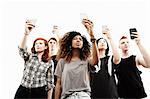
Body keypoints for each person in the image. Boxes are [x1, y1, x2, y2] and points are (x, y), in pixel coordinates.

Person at [54, 19, 98, 99]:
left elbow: (95, 61)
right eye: (75, 39)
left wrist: (92, 36)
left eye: (80, 39)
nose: (78, 40)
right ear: (70, 42)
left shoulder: (86, 60)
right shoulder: (62, 62)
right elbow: (58, 84)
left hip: (83, 95)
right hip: (67, 97)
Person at [14, 20, 54, 99]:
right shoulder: (29, 56)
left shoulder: (49, 62)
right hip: (23, 90)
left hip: (39, 92)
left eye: (40, 43)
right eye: (36, 43)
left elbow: (50, 83)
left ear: (46, 47)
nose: (37, 45)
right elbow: (21, 50)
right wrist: (26, 34)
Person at [115, 31, 150, 98]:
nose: (126, 44)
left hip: (137, 94)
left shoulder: (135, 58)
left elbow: (148, 64)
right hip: (123, 95)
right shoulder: (116, 60)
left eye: (127, 42)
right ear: (119, 46)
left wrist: (139, 43)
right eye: (123, 43)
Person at [90, 26, 120, 99]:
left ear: (107, 47)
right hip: (94, 94)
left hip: (110, 94)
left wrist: (109, 37)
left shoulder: (110, 59)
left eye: (104, 42)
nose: (102, 43)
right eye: (100, 41)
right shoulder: (91, 61)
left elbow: (117, 58)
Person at [48, 25, 60, 99]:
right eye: (50, 42)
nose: (52, 44)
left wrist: (57, 33)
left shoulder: (58, 57)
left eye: (54, 43)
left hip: (57, 85)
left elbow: (62, 45)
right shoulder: (44, 58)